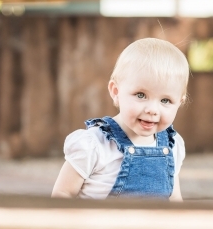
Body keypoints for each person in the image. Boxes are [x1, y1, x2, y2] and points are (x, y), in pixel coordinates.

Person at [51, 38, 189, 201]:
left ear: (179, 103)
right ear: (116, 92)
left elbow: (174, 199)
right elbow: (62, 194)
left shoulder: (172, 145)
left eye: (165, 100)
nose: (152, 109)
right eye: (141, 95)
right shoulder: (95, 145)